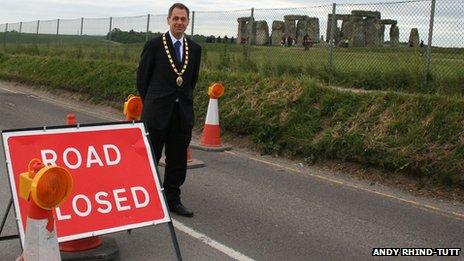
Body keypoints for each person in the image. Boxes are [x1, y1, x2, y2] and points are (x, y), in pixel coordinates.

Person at [136, 3, 202, 217]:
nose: (179, 23)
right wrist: (153, 103)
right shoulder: (154, 45)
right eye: (176, 18)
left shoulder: (195, 49)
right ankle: (146, 197)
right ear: (168, 20)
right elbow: (142, 80)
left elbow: (191, 81)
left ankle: (173, 199)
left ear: (188, 22)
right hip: (156, 112)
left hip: (181, 113)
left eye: (183, 19)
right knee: (151, 156)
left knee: (177, 159)